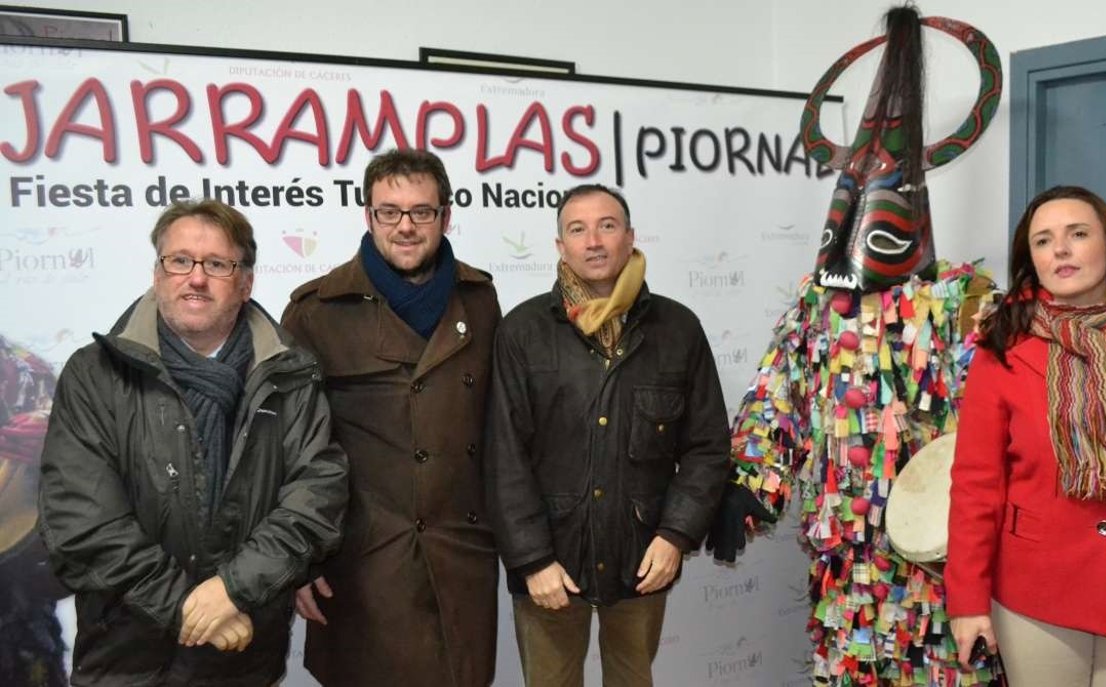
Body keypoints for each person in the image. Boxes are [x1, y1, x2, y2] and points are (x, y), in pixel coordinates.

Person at [37, 199, 349, 687]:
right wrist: (184, 607)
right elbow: (81, 522)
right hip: (124, 660)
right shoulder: (94, 375)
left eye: (217, 264)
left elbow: (315, 499)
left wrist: (233, 590)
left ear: (245, 283)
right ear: (158, 273)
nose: (196, 278)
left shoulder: (290, 375)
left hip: (245, 656)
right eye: (179, 260)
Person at [946, 185, 1106, 686]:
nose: (1060, 249)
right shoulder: (1003, 348)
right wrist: (968, 600)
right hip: (1036, 593)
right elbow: (977, 483)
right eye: (1043, 241)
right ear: (1033, 262)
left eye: (1078, 234)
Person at [484, 183, 730, 686]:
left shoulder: (678, 329)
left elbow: (707, 446)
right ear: (561, 246)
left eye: (607, 226)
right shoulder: (522, 331)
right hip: (551, 564)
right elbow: (503, 455)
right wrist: (532, 559)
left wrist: (675, 536)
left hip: (642, 557)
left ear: (631, 237)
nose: (593, 241)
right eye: (578, 229)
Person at [283, 148, 500, 687]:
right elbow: (286, 449)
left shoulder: (481, 301)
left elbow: (502, 435)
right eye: (389, 212)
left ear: (445, 216)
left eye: (421, 211)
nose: (406, 226)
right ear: (368, 215)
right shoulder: (316, 311)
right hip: (361, 566)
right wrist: (298, 558)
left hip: (462, 559)